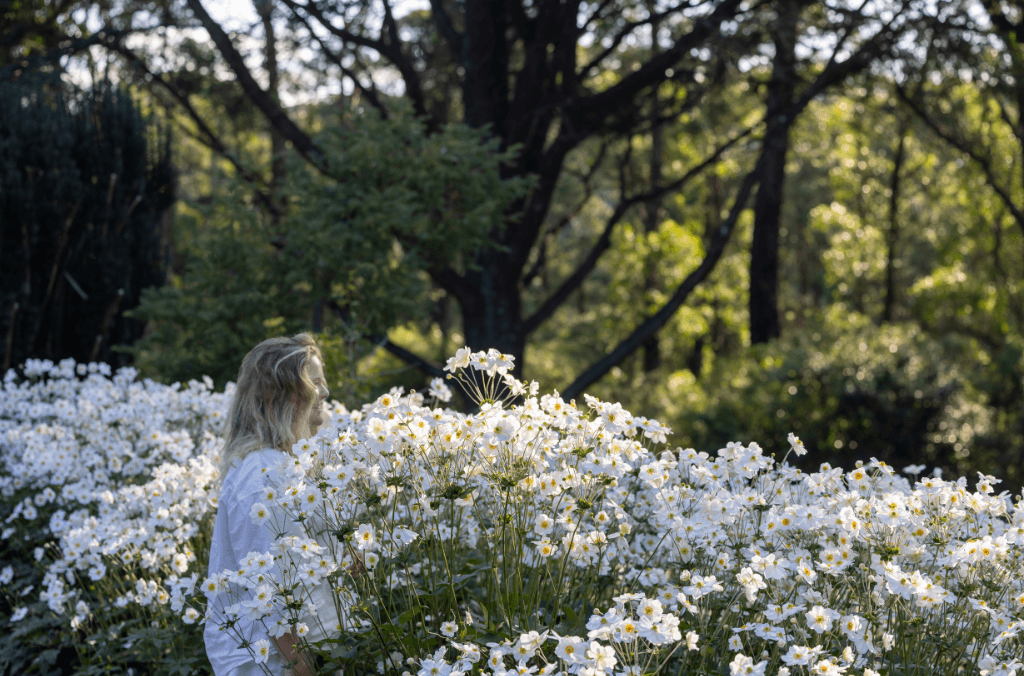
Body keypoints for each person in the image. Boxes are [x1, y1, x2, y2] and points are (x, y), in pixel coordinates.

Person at [204, 333, 330, 676]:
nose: (325, 393)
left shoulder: (281, 466)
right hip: (271, 665)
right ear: (278, 394)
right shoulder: (263, 478)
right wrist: (305, 671)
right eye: (314, 383)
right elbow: (271, 597)